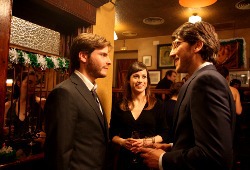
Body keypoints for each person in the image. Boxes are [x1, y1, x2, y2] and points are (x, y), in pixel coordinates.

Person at [140, 21, 236, 170]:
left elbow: (215, 155)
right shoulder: (196, 80)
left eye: (177, 44)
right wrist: (172, 147)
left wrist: (163, 160)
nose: (172, 53)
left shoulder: (207, 81)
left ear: (197, 46)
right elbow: (198, 141)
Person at [44, 33, 112, 170]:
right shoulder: (64, 93)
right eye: (103, 55)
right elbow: (59, 154)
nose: (109, 61)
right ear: (83, 56)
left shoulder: (91, 91)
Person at [109, 61, 168, 170]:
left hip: (149, 158)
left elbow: (164, 134)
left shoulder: (158, 104)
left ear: (147, 81)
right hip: (125, 160)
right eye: (136, 76)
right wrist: (123, 142)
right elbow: (112, 133)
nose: (140, 80)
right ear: (128, 80)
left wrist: (145, 141)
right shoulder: (119, 105)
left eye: (144, 77)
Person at [5, 71, 45, 138]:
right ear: (19, 83)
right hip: (12, 147)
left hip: (33, 146)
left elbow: (47, 129)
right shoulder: (8, 106)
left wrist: (43, 135)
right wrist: (4, 131)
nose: (32, 86)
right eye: (29, 82)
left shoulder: (41, 103)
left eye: (35, 84)